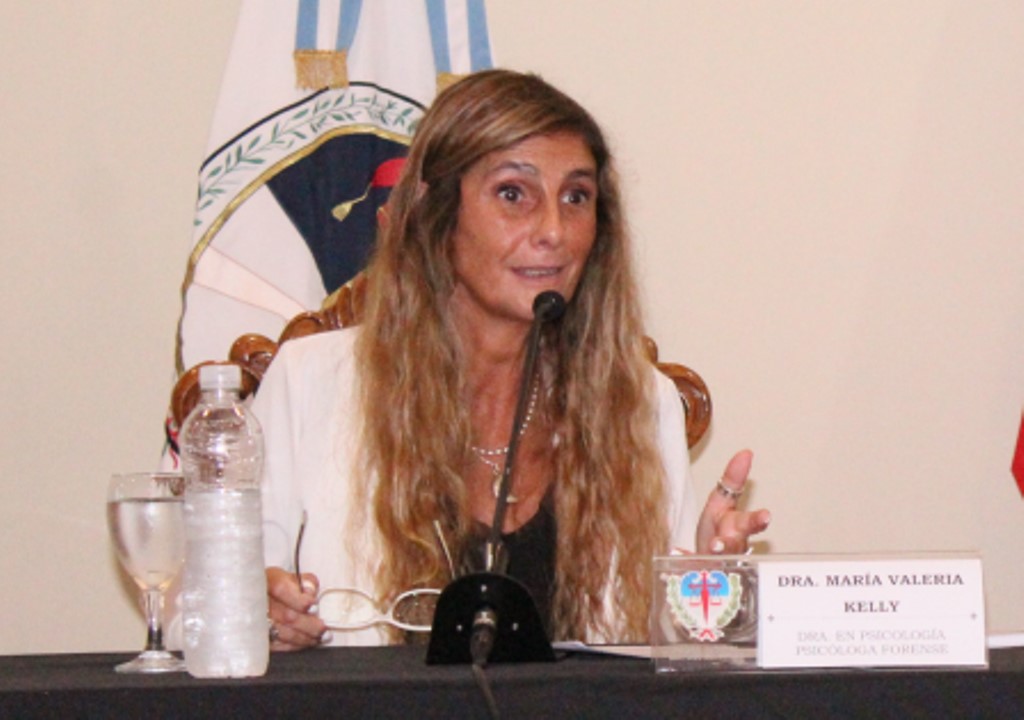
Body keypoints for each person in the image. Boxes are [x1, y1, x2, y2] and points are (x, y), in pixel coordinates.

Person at [256, 69, 771, 651]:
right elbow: (204, 613)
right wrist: (259, 613)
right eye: (512, 194)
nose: (554, 231)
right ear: (434, 211)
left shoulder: (640, 404)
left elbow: (654, 666)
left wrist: (701, 595)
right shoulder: (311, 384)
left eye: (576, 197)